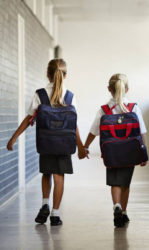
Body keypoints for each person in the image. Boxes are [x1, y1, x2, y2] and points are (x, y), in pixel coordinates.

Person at [6, 59, 88, 226]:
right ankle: (55, 214)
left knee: (46, 173)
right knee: (59, 177)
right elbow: (74, 125)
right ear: (65, 75)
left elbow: (28, 118)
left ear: (47, 74)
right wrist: (81, 147)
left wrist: (13, 138)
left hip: (46, 142)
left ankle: (44, 204)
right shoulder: (70, 96)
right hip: (65, 143)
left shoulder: (40, 94)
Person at [83, 73, 148, 227]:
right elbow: (142, 131)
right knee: (125, 183)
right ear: (127, 89)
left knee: (115, 182)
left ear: (109, 89)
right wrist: (144, 153)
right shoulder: (134, 108)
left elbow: (93, 131)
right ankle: (124, 212)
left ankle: (116, 206)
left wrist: (85, 146)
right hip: (130, 151)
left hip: (111, 153)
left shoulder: (104, 110)